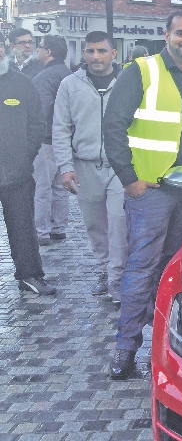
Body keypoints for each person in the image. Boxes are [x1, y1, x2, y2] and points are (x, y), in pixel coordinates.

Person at [103, 9, 182, 380]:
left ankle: (170, 345)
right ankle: (126, 347)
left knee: (178, 272)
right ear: (166, 34)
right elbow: (113, 125)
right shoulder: (141, 71)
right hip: (151, 191)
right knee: (141, 268)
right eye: (181, 33)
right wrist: (130, 179)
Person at [52, 31, 128, 304]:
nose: (96, 57)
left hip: (120, 166)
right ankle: (104, 269)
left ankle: (117, 280)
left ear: (113, 53)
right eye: (91, 51)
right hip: (84, 166)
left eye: (102, 51)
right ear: (83, 53)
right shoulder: (69, 85)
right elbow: (61, 128)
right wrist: (65, 166)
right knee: (96, 226)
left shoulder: (127, 82)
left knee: (118, 223)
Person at [0, 36, 54, 295]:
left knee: (23, 227)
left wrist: (24, 155)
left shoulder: (21, 84)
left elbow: (37, 123)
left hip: (16, 173)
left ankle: (30, 275)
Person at [31, 35, 72, 246]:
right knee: (60, 186)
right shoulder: (70, 74)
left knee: (42, 187)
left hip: (46, 139)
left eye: (40, 47)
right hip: (66, 139)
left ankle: (41, 230)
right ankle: (59, 227)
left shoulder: (43, 78)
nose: (37, 50)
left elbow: (40, 111)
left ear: (48, 52)